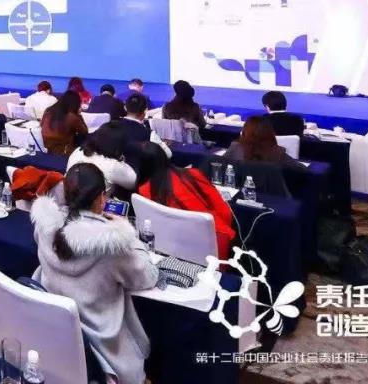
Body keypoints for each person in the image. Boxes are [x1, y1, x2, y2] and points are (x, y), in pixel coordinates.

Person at [32, 163, 158, 384]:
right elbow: (147, 276)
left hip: (56, 338)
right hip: (107, 353)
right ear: (101, 198)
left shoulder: (44, 227)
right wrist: (130, 237)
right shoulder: (112, 244)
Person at [137, 142, 235, 258]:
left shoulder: (144, 192)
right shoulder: (193, 174)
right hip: (217, 244)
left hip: (177, 251)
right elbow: (225, 212)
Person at [67, 121, 138, 194]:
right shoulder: (112, 166)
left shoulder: (78, 151)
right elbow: (134, 183)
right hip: (95, 200)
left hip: (69, 197)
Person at [223, 115, 304, 172]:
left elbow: (221, 163)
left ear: (245, 132)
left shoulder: (235, 146)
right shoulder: (277, 152)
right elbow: (301, 169)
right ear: (270, 133)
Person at [40, 90, 89, 156]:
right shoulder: (72, 117)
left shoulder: (48, 110)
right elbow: (84, 131)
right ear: (75, 104)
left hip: (46, 149)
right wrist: (79, 115)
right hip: (64, 151)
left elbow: (41, 125)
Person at [114, 92, 152, 172]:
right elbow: (167, 154)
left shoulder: (110, 126)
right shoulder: (149, 133)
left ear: (125, 108)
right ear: (145, 111)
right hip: (138, 173)